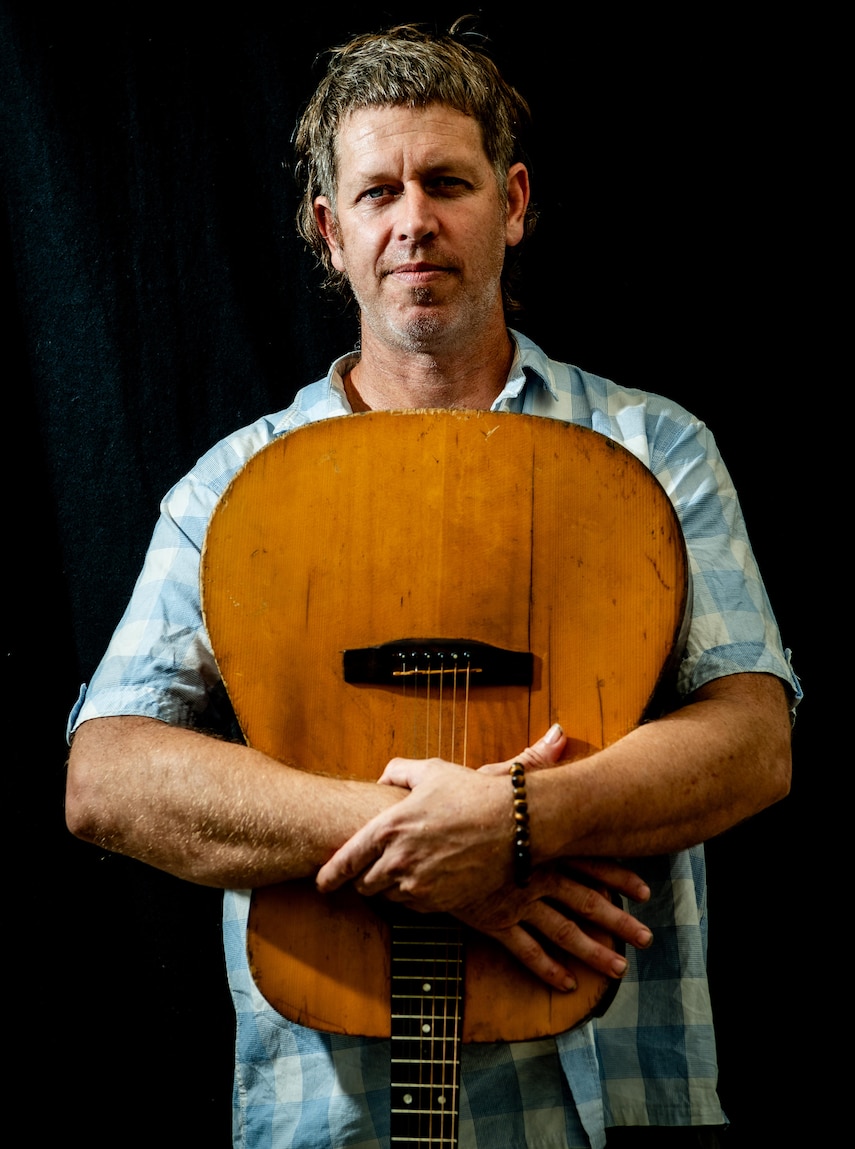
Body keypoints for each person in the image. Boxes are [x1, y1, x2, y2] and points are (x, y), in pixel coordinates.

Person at [65, 20, 800, 1149]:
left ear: (510, 203)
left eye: (447, 183)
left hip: (617, 1093)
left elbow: (753, 740)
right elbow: (108, 774)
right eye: (377, 192)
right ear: (328, 229)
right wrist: (427, 845)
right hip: (333, 1104)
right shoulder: (234, 489)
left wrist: (512, 820)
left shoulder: (654, 450)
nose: (415, 221)